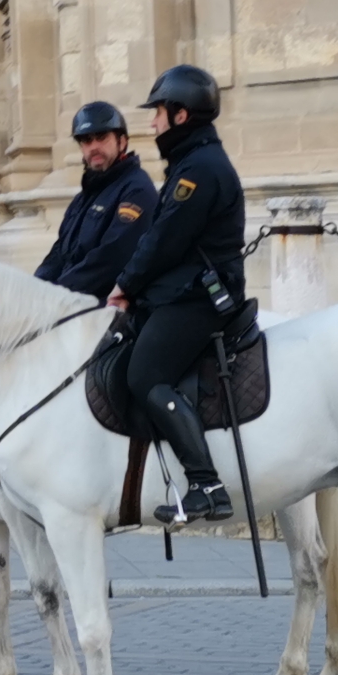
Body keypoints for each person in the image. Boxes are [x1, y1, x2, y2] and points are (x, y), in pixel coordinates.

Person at [106, 65, 247, 525]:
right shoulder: (192, 163)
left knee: (145, 375)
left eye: (159, 113)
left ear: (182, 116)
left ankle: (206, 484)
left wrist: (124, 286)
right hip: (183, 291)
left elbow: (164, 240)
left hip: (199, 298)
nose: (153, 123)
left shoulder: (199, 171)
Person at [34, 101, 158, 301]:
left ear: (122, 141)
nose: (94, 147)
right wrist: (34, 287)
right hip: (74, 302)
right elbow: (59, 254)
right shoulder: (83, 198)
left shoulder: (136, 189)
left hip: (108, 306)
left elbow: (113, 257)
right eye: (86, 141)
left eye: (101, 138)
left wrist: (59, 292)